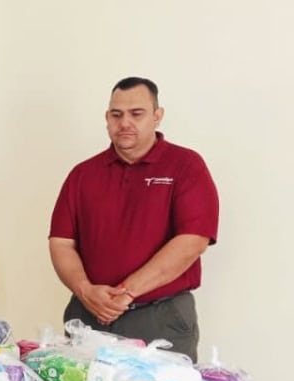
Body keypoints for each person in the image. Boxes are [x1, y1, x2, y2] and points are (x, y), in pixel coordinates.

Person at [49, 77, 218, 361]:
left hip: (160, 318)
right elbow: (61, 243)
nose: (125, 123)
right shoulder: (83, 175)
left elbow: (193, 241)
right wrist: (85, 290)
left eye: (136, 113)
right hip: (89, 316)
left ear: (157, 116)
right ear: (107, 118)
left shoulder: (186, 166)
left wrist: (126, 294)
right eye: (116, 115)